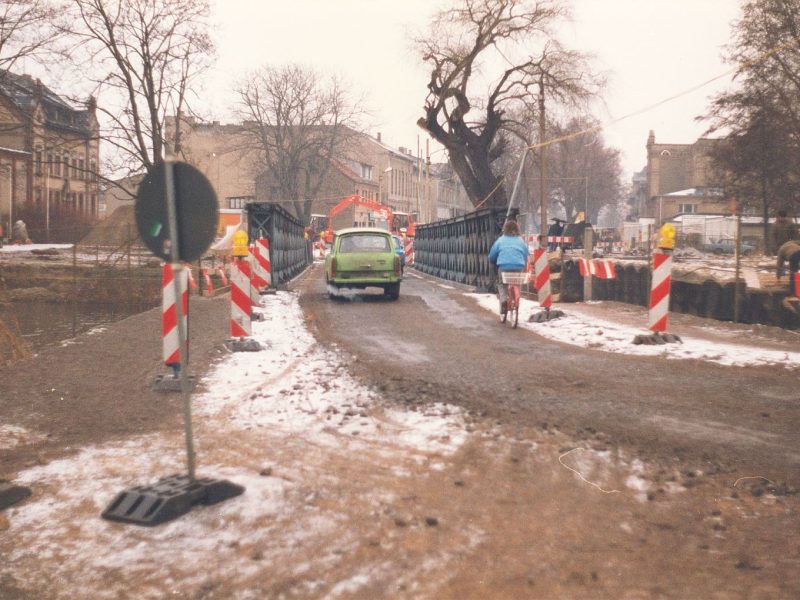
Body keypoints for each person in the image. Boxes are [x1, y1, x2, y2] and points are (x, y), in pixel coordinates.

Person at [488, 219, 529, 314]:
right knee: (516, 282)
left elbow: (492, 255)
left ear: (505, 229)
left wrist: (492, 260)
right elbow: (525, 255)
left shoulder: (500, 240)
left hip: (504, 267)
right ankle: (516, 297)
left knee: (501, 283)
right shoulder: (521, 241)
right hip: (519, 267)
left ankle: (503, 301)